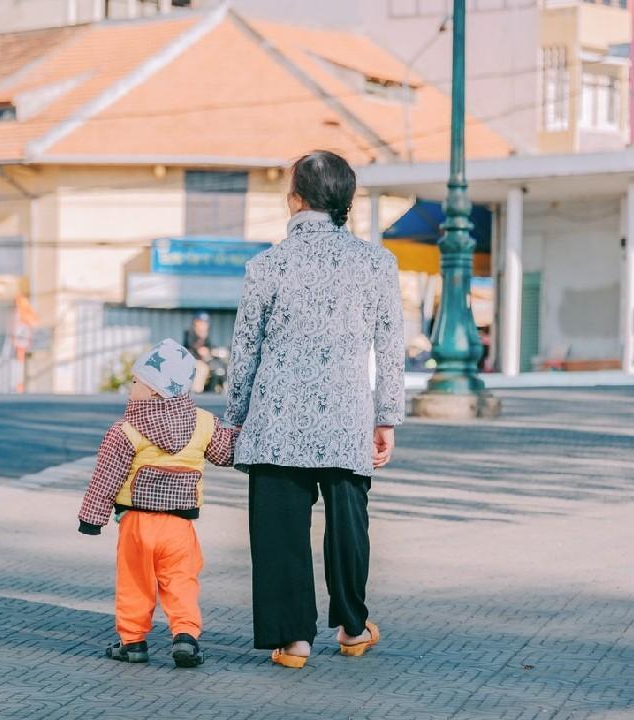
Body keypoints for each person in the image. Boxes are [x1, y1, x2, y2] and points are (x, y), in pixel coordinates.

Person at [226, 150, 405, 667]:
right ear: (345, 201)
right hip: (346, 419)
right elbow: (391, 347)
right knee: (349, 525)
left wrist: (235, 420)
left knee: (279, 530)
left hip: (275, 421)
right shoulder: (377, 263)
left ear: (295, 199)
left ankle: (293, 640)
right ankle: (352, 627)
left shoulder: (267, 265)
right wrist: (385, 417)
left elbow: (245, 353)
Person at [78, 338, 237, 668]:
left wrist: (92, 518)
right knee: (181, 580)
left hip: (137, 524)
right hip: (180, 526)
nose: (130, 386)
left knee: (135, 581)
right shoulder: (204, 423)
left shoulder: (126, 430)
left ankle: (133, 641)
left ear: (154, 391)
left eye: (136, 381)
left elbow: (106, 477)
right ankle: (185, 637)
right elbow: (225, 453)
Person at [183, 312, 213, 393]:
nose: (204, 324)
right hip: (190, 360)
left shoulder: (205, 335)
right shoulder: (190, 332)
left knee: (215, 367)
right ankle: (196, 392)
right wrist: (201, 342)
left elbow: (209, 348)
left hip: (202, 360)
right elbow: (192, 346)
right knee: (202, 368)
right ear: (196, 322)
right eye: (202, 322)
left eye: (206, 322)